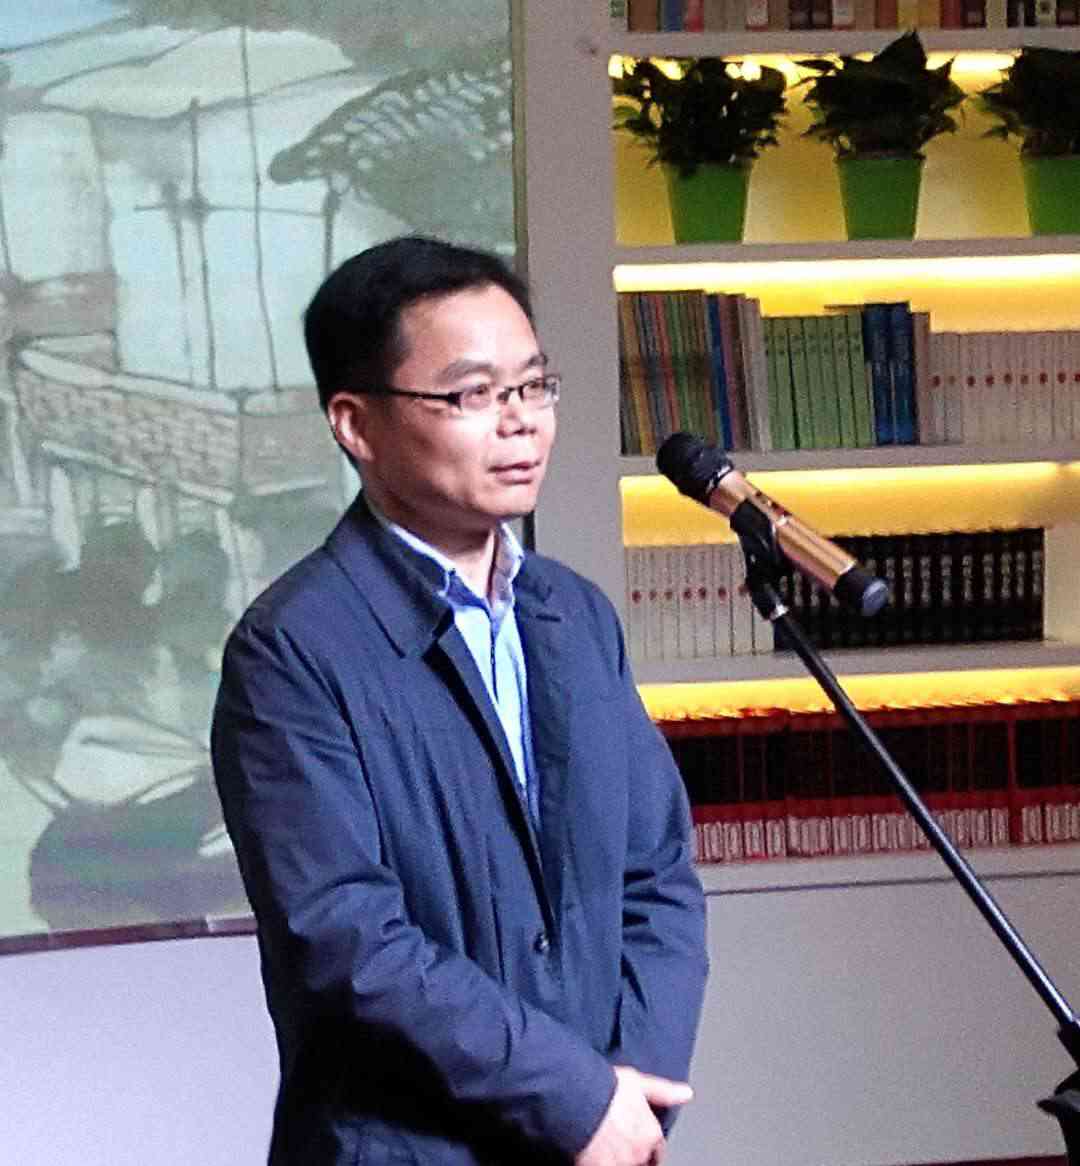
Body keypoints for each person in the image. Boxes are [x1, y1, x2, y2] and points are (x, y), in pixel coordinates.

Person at [211, 235, 708, 1166]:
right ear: (356, 424)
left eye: (533, 386)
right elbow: (348, 941)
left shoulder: (575, 616)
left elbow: (657, 872)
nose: (520, 423)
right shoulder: (291, 651)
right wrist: (573, 1098)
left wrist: (629, 1088)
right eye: (473, 395)